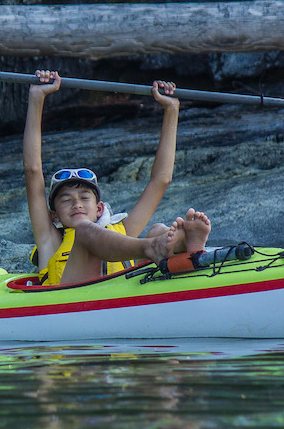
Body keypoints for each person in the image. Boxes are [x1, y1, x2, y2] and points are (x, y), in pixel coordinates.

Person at [24, 71, 211, 285]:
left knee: (159, 230)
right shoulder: (50, 240)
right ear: (54, 216)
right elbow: (32, 171)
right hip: (70, 304)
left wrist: (171, 109)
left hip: (118, 297)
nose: (77, 204)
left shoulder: (122, 232)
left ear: (100, 209)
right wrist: (37, 97)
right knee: (86, 231)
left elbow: (161, 180)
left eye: (85, 197)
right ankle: (155, 247)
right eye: (66, 200)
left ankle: (187, 249)